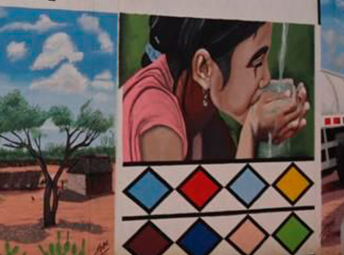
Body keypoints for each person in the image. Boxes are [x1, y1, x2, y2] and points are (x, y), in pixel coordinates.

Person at [123, 16, 309, 163]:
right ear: (204, 68)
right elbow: (168, 209)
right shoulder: (157, 118)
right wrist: (251, 131)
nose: (266, 78)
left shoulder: (208, 122)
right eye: (257, 62)